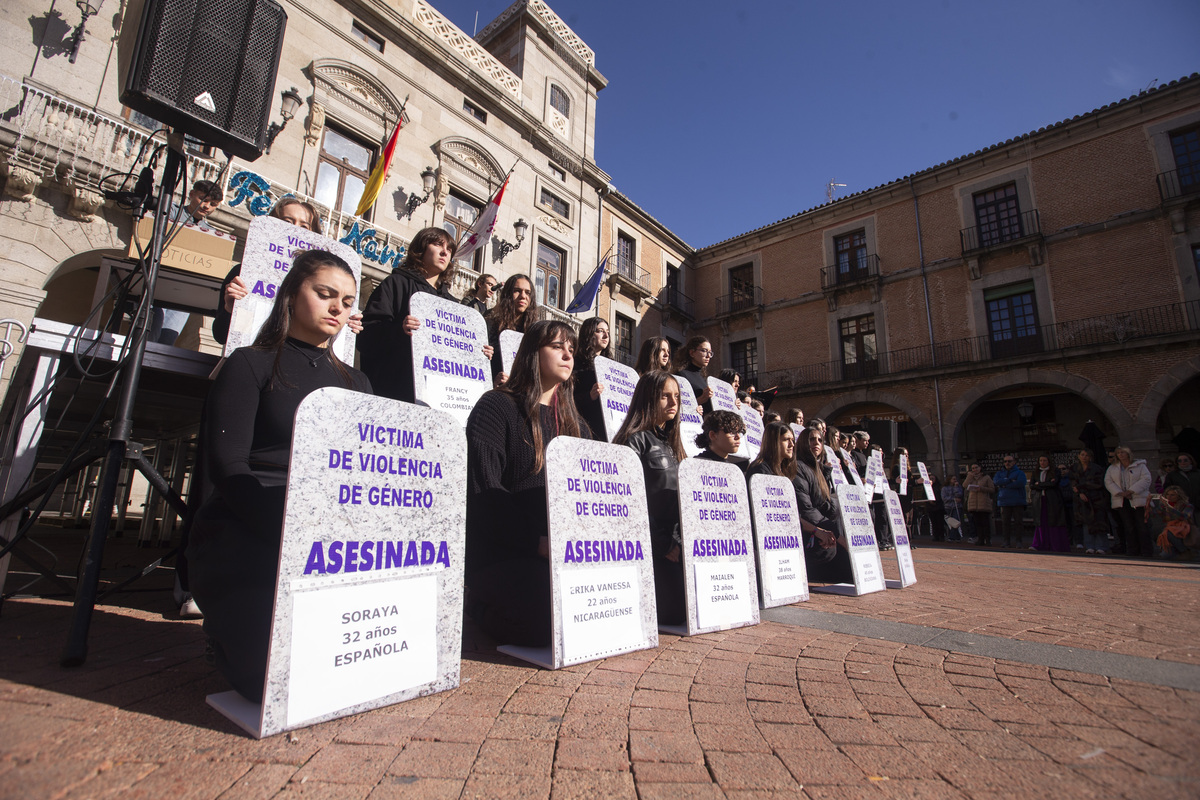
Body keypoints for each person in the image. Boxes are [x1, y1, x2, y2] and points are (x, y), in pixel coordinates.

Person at [186, 249, 370, 702]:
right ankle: (228, 632)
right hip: (252, 522)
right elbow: (228, 467)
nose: (337, 309)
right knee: (269, 679)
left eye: (346, 302)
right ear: (291, 295)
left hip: (330, 529)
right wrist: (290, 528)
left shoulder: (358, 384)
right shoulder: (247, 364)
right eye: (325, 294)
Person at [465, 320, 586, 646]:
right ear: (533, 352)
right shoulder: (496, 406)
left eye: (571, 349)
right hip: (505, 555)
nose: (567, 354)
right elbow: (485, 496)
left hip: (563, 556)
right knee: (548, 618)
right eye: (557, 346)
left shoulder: (579, 427)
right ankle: (476, 607)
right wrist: (537, 543)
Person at [211, 198, 363, 345]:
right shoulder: (245, 271)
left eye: (304, 226)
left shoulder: (330, 282)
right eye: (287, 222)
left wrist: (346, 327)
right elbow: (221, 336)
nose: (295, 229)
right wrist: (231, 309)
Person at [358, 227, 469, 403]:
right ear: (421, 248)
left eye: (449, 249)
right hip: (396, 392)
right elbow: (367, 335)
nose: (444, 252)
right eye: (438, 244)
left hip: (436, 397)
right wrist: (398, 329)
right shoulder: (395, 284)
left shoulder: (453, 304)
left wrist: (477, 352)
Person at [614, 371, 687, 626]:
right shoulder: (633, 441)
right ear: (648, 398)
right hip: (653, 546)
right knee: (676, 611)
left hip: (678, 542)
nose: (673, 402)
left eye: (676, 396)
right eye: (665, 396)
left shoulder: (674, 444)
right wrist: (664, 544)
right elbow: (625, 503)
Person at [792, 427, 854, 584]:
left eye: (820, 440)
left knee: (851, 571)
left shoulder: (818, 469)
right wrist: (836, 534)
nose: (816, 443)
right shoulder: (799, 468)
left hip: (825, 529)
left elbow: (826, 506)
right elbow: (806, 509)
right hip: (812, 535)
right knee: (846, 571)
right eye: (811, 439)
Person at [486, 274, 538, 384]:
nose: (523, 296)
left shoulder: (535, 333)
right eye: (517, 291)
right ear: (508, 294)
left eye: (527, 292)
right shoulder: (490, 326)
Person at [1105, 445, 1151, 557]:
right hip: (1122, 500)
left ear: (1128, 453)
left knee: (1142, 526)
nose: (1121, 454)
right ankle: (1132, 550)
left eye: (1123, 452)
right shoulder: (1112, 468)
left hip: (1138, 499)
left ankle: (1146, 551)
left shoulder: (1140, 466)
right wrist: (1120, 492)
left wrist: (1131, 491)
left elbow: (1146, 479)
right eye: (1118, 453)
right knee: (1128, 526)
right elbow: (1108, 482)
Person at [572, 317, 610, 441]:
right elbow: (566, 398)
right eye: (600, 331)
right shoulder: (575, 363)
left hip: (607, 432)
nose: (606, 336)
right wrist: (590, 396)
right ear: (588, 333)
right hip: (583, 430)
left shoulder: (610, 366)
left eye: (608, 332)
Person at [1071, 449, 1110, 554]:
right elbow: (1072, 481)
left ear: (1090, 457)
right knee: (1086, 522)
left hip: (1096, 498)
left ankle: (1101, 546)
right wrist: (1079, 491)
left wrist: (1081, 487)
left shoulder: (1097, 468)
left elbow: (1098, 483)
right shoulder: (1075, 468)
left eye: (1087, 455)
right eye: (1082, 455)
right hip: (1081, 499)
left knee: (1099, 522)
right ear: (1079, 456)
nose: (1084, 457)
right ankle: (1089, 545)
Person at [1030, 455, 1070, 552]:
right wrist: (1044, 484)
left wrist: (1039, 484)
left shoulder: (1055, 471)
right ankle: (1039, 544)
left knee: (1053, 521)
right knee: (1041, 521)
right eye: (1041, 460)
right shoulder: (1035, 472)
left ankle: (1055, 544)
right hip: (1039, 500)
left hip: (1052, 500)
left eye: (1044, 460)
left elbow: (1053, 484)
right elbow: (1032, 485)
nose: (1042, 462)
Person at [1150, 485, 1197, 560]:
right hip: (1170, 534)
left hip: (1183, 532)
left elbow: (1183, 516)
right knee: (1165, 555)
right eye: (1167, 494)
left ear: (1179, 496)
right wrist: (1148, 506)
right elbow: (1153, 514)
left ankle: (1185, 551)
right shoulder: (1164, 506)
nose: (1169, 497)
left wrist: (1169, 508)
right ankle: (1177, 551)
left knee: (1169, 532)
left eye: (1172, 495)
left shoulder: (1187, 506)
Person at [993, 455, 1027, 548]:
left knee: (1018, 523)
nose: (1007, 463)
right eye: (1005, 461)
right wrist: (1009, 480)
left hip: (1018, 501)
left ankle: (1019, 541)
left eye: (1009, 461)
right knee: (1005, 523)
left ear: (1014, 462)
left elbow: (1020, 483)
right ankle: (1006, 541)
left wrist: (1004, 484)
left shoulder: (1020, 473)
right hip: (1004, 501)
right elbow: (996, 482)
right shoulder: (999, 473)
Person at [674, 336, 714, 415]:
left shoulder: (705, 379)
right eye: (704, 351)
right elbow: (679, 406)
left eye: (710, 352)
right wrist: (701, 399)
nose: (708, 356)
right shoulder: (682, 376)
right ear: (692, 353)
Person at [964, 463, 995, 546]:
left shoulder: (986, 477)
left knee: (985, 523)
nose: (975, 469)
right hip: (974, 504)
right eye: (973, 468)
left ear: (980, 468)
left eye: (976, 467)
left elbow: (992, 489)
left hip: (983, 503)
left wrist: (981, 488)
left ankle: (988, 539)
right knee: (977, 523)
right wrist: (969, 476)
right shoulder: (971, 478)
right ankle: (980, 539)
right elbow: (965, 485)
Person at [942, 475, 964, 541]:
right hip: (948, 507)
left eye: (955, 479)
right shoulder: (945, 488)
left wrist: (956, 487)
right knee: (951, 522)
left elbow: (959, 495)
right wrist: (953, 499)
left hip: (957, 507)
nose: (955, 480)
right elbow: (944, 498)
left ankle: (952, 537)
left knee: (956, 521)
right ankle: (957, 537)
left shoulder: (958, 487)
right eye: (953, 479)